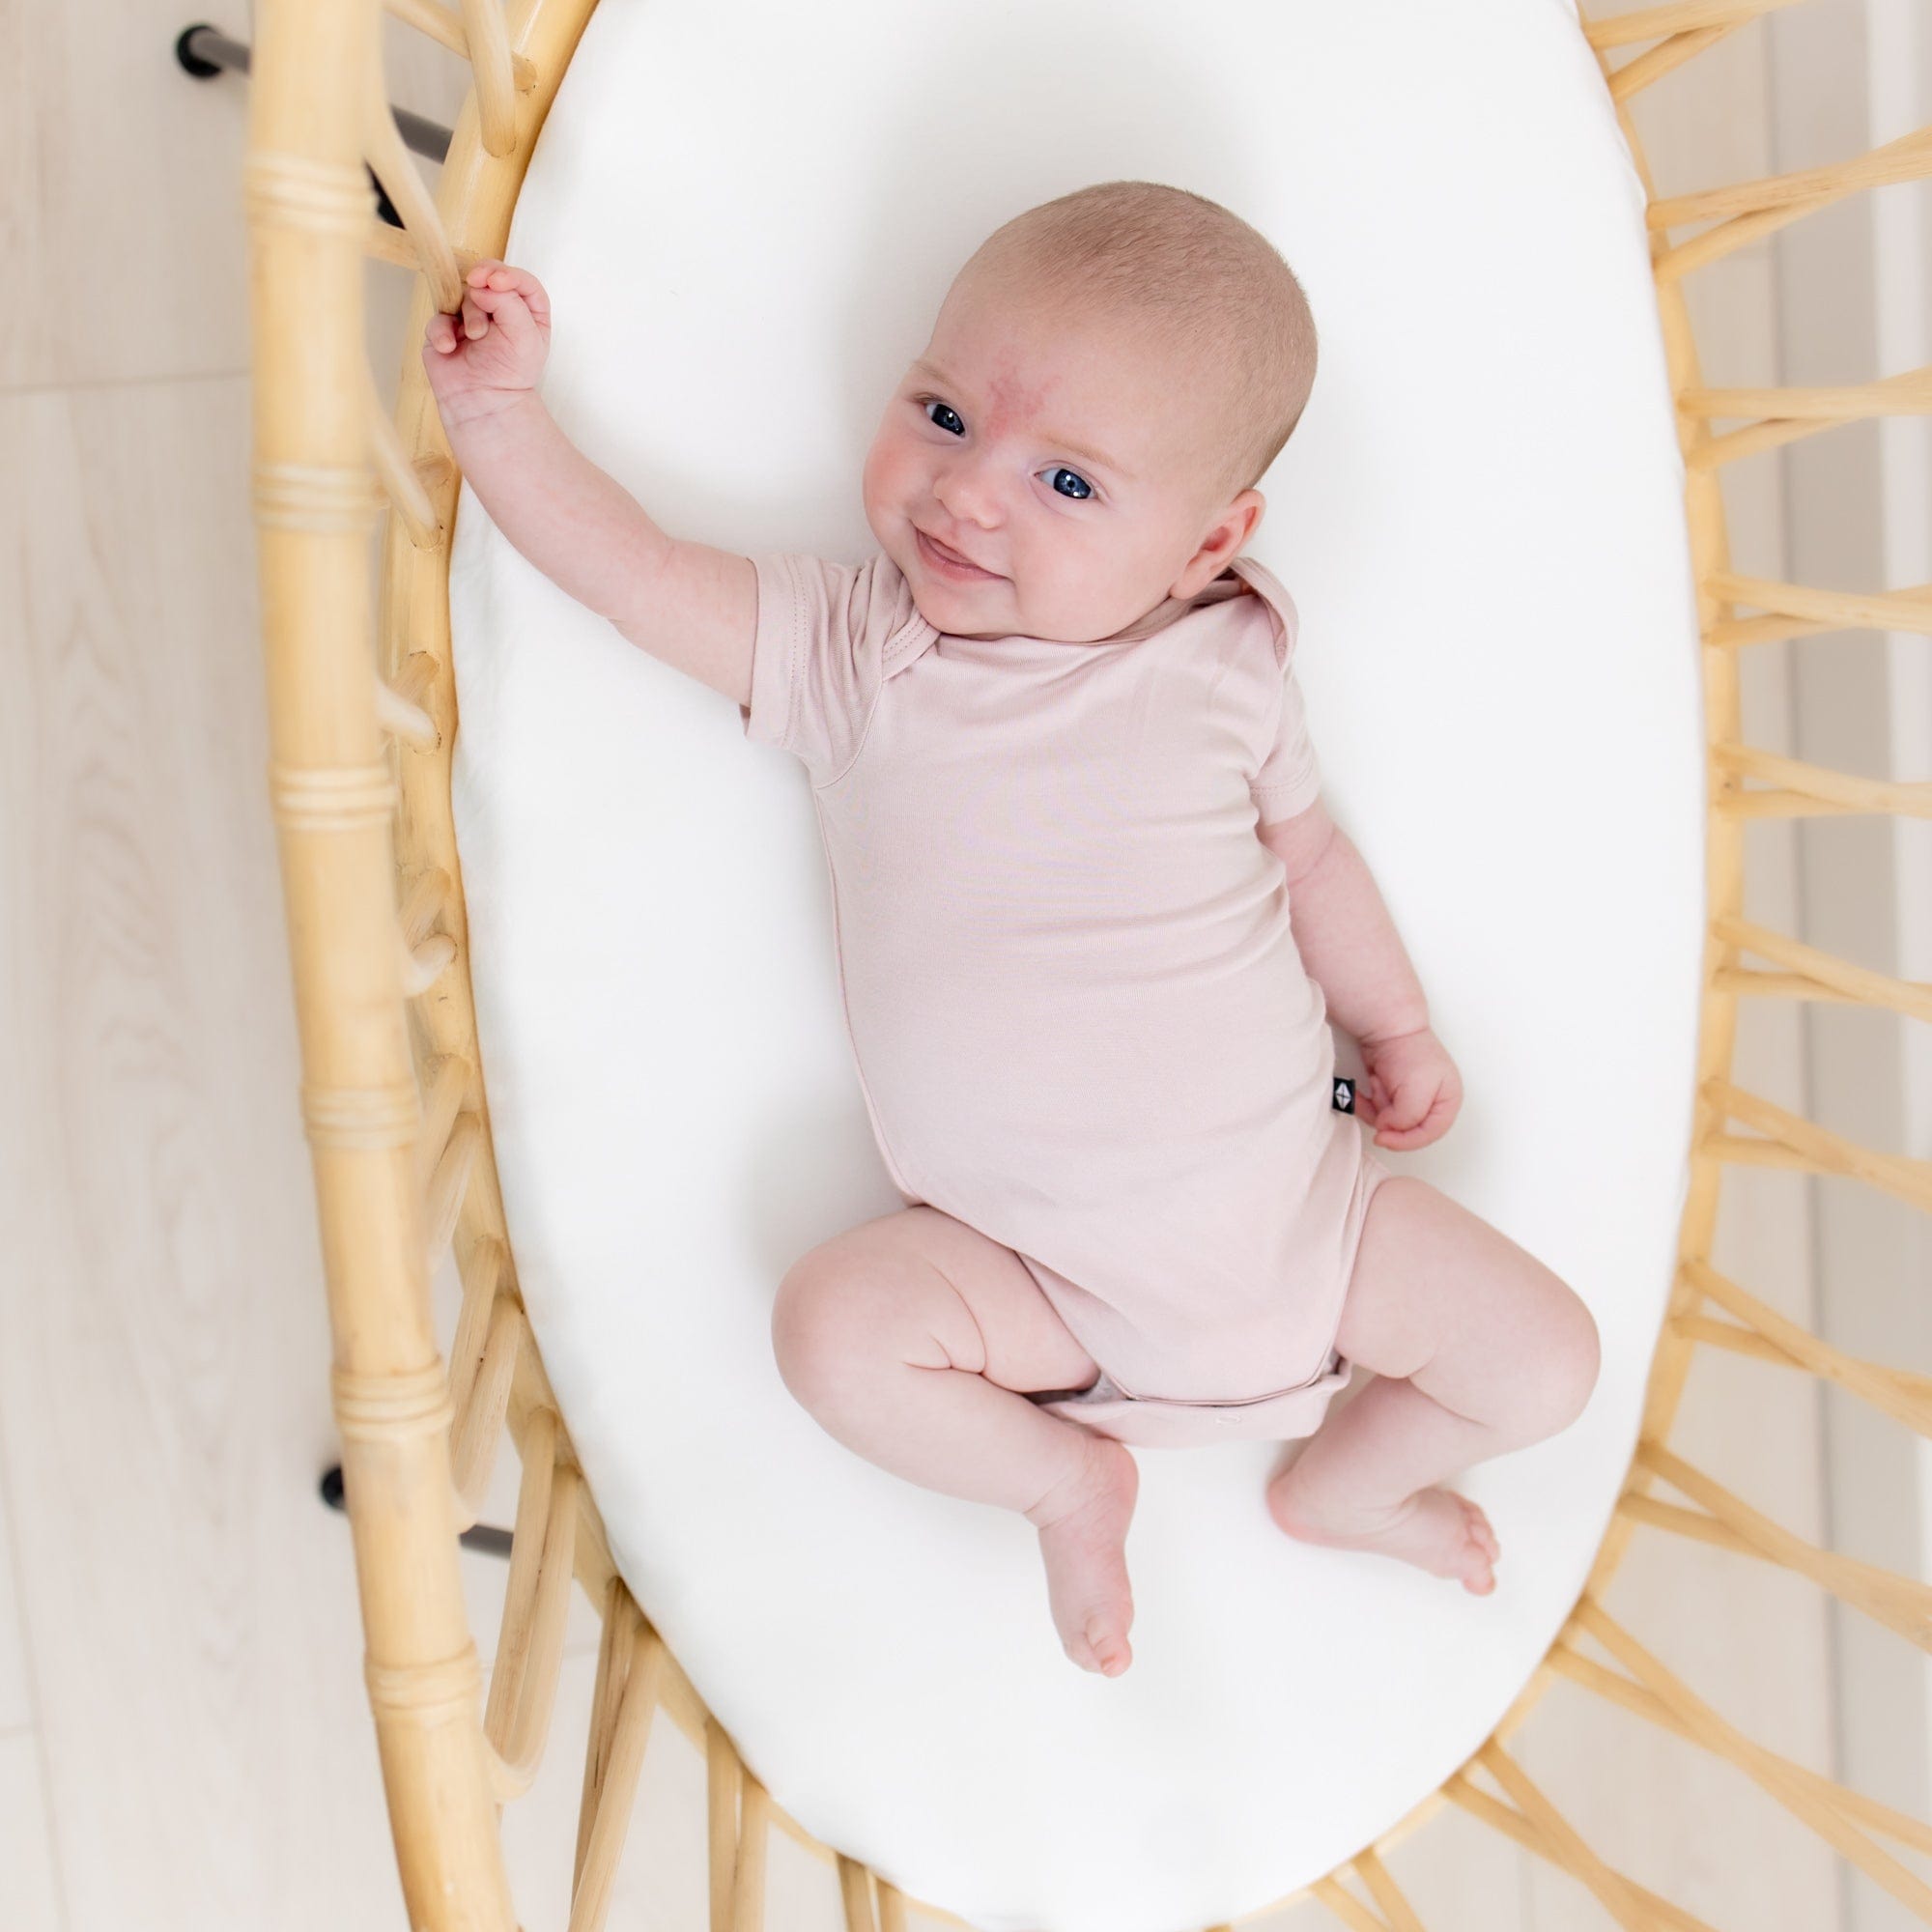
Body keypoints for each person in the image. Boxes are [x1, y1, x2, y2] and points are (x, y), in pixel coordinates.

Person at [421, 179, 1601, 1681]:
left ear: (1204, 543)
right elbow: (635, 578)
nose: (968, 495)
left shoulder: (1225, 662)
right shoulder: (866, 653)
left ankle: (1348, 1487)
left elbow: (1311, 858)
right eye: (945, 414)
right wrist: (502, 420)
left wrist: (1397, 1024)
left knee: (1547, 1362)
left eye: (1069, 485)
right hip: (1036, 1284)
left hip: (1313, 1224)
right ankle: (1065, 1482)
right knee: (835, 1333)